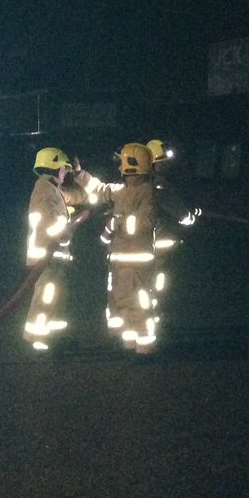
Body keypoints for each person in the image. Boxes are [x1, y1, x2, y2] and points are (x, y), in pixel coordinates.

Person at [85, 142, 159, 354]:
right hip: (121, 261)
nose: (119, 169)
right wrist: (81, 174)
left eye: (122, 164)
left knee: (137, 305)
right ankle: (129, 345)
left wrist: (117, 223)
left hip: (135, 262)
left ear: (132, 166)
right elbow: (100, 189)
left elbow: (146, 222)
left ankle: (144, 348)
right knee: (124, 303)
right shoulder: (122, 191)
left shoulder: (146, 193)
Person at [22, 146, 90, 352]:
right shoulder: (45, 191)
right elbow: (49, 223)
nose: (65, 172)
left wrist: (82, 177)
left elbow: (76, 197)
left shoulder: (52, 189)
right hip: (46, 255)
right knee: (46, 297)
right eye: (63, 168)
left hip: (54, 256)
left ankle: (55, 339)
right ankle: (39, 341)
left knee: (56, 297)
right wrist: (69, 226)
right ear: (53, 166)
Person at [145, 139, 200, 328]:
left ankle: (144, 319)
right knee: (157, 285)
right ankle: (154, 322)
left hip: (139, 244)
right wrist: (191, 217)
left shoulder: (137, 184)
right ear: (153, 163)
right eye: (162, 162)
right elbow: (181, 214)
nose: (165, 166)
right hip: (160, 244)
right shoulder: (160, 185)